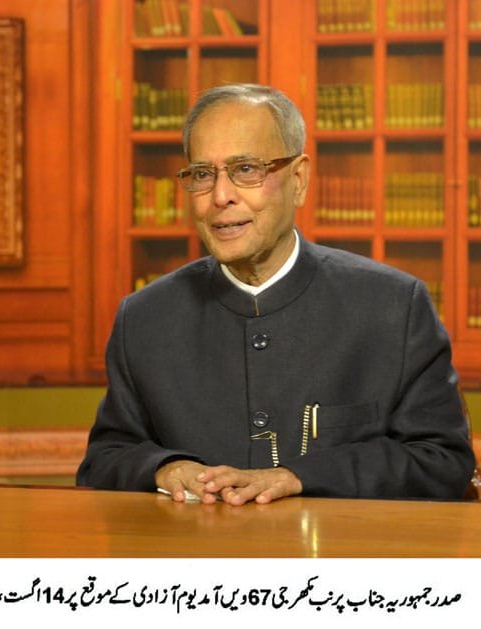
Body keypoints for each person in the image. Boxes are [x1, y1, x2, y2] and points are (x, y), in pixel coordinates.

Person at [76, 83, 475, 505]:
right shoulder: (145, 317)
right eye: (201, 175)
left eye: (246, 169)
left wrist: (299, 477)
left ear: (298, 179)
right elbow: (105, 460)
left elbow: (442, 463)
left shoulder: (394, 306)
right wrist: (166, 468)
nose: (221, 196)